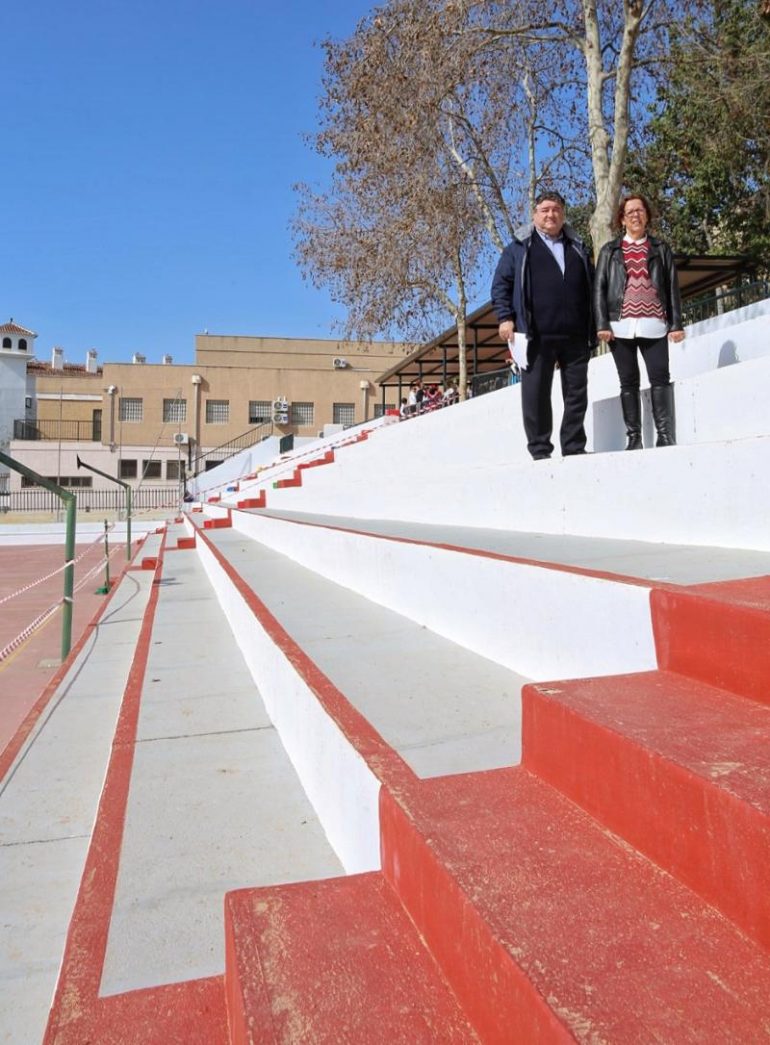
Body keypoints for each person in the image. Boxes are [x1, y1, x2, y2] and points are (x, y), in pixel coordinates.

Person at [491, 191, 595, 460]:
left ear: (563, 214)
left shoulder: (578, 246)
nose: (551, 214)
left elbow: (591, 286)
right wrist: (505, 317)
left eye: (556, 209)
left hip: (575, 333)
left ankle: (573, 446)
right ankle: (539, 450)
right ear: (534, 214)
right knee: (536, 394)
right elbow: (501, 285)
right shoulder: (518, 248)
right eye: (545, 210)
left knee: (576, 393)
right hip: (535, 334)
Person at [594, 193, 684, 449]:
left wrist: (676, 324)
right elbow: (599, 288)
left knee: (660, 377)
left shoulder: (660, 248)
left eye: (640, 210)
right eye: (630, 212)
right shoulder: (609, 251)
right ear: (622, 219)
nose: (636, 215)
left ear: (647, 216)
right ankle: (634, 438)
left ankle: (665, 435)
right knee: (628, 381)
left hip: (654, 324)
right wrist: (602, 324)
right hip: (620, 326)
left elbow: (672, 286)